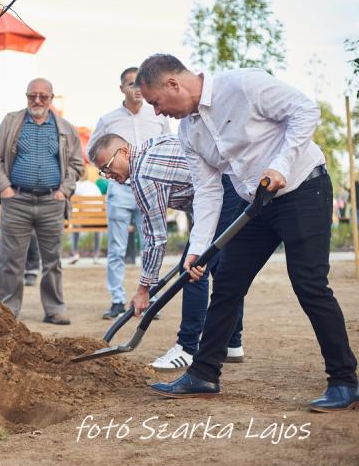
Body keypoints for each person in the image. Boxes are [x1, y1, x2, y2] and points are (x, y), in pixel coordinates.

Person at [136, 53, 358, 411]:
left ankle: (345, 381)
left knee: (309, 283)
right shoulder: (188, 130)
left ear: (173, 84)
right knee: (227, 283)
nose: (158, 112)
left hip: (303, 188)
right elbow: (207, 191)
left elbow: (305, 110)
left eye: (155, 102)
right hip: (254, 204)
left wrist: (281, 164)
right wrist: (198, 249)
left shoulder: (242, 84)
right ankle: (204, 374)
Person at [88, 133, 246, 371]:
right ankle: (231, 343)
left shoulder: (142, 175)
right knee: (221, 268)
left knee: (193, 270)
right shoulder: (152, 144)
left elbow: (156, 239)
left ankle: (187, 348)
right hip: (233, 185)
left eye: (108, 168)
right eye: (103, 172)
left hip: (226, 190)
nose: (109, 176)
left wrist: (144, 290)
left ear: (123, 152)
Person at [0, 77, 84, 325]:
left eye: (43, 96)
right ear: (26, 96)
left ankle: (54, 309)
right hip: (16, 200)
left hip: (52, 202)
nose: (37, 100)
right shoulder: (12, 121)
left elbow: (76, 164)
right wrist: (5, 188)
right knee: (10, 260)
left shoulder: (65, 127)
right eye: (32, 95)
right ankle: (7, 312)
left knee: (53, 260)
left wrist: (64, 190)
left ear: (52, 98)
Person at [88, 67, 171, 319]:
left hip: (151, 189)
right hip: (121, 191)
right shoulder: (108, 120)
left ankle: (150, 296)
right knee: (116, 247)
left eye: (139, 84)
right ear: (122, 88)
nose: (136, 89)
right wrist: (111, 173)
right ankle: (117, 299)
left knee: (151, 243)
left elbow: (169, 145)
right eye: (131, 84)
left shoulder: (156, 116)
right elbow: (92, 151)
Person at [68, 169, 102, 264]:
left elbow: (71, 199)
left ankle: (74, 253)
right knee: (98, 229)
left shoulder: (78, 186)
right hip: (98, 220)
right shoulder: (94, 186)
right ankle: (96, 256)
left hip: (84, 220)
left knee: (75, 225)